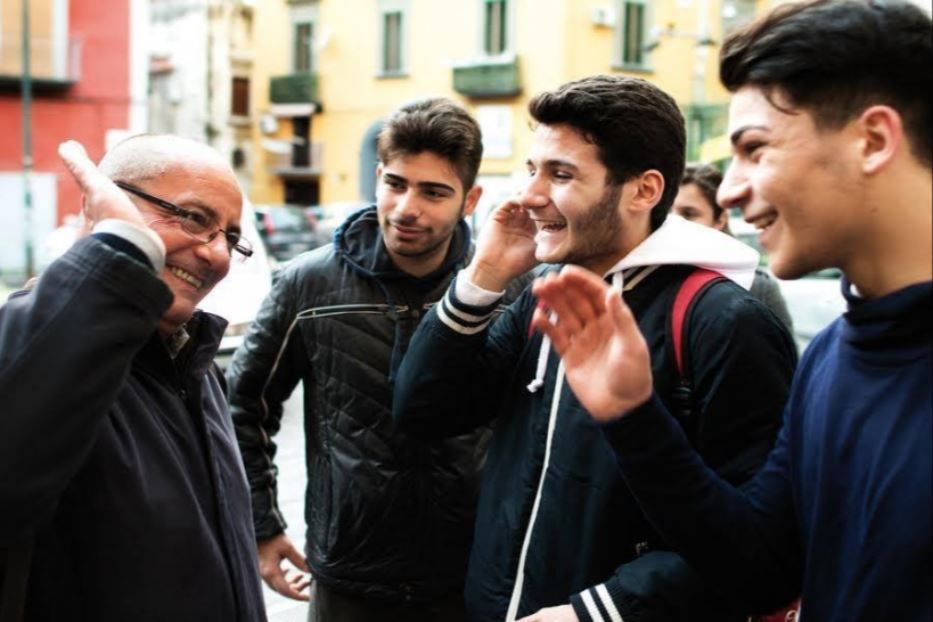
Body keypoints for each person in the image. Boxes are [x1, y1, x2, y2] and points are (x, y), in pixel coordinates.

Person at [528, 1, 932, 621]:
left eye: (755, 148)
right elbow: (761, 571)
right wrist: (634, 417)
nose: (730, 190)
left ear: (872, 140)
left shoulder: (746, 324)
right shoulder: (831, 356)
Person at [392, 75, 797, 622]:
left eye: (561, 175)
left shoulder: (724, 320)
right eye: (532, 170)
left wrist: (599, 612)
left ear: (644, 191)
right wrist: (481, 277)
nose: (531, 195)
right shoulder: (548, 294)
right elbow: (422, 409)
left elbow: (756, 539)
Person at [227, 98, 528, 622]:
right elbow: (243, 407)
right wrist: (263, 526)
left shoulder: (510, 288)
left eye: (434, 192)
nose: (408, 208)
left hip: (475, 570)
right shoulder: (308, 283)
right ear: (377, 177)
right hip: (350, 575)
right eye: (396, 184)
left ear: (470, 199)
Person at [0, 136, 266, 621]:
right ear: (97, 205)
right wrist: (123, 250)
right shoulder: (41, 348)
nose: (218, 254)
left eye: (231, 236)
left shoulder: (195, 367)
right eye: (193, 218)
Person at [673, 163, 793, 332]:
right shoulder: (638, 277)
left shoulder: (757, 287)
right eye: (666, 212)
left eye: (689, 214)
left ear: (720, 219)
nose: (673, 221)